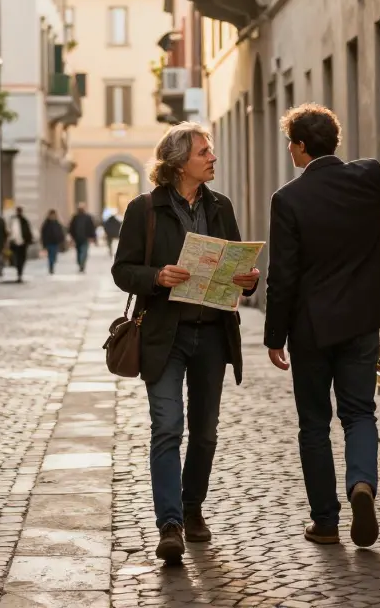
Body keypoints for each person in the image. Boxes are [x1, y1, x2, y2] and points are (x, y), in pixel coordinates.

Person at [263, 103, 380, 548]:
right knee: (359, 413)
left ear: (301, 146)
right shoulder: (366, 177)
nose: (290, 150)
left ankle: (326, 522)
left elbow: (283, 276)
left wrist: (275, 337)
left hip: (311, 329)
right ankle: (362, 486)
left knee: (313, 423)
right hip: (362, 321)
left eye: (290, 143)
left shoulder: (288, 198)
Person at [112, 122, 260, 565]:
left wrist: (247, 280)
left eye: (210, 151)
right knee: (167, 427)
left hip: (213, 333)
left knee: (206, 432)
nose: (212, 158)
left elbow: (239, 265)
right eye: (203, 152)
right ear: (178, 163)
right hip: (164, 336)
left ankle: (193, 507)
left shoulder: (221, 206)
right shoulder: (144, 209)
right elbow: (123, 270)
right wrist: (156, 276)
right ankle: (170, 524)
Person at [68, 203, 97, 273]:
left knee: (84, 252)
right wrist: (72, 237)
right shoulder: (75, 217)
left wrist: (93, 237)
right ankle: (80, 263)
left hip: (85, 238)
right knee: (78, 252)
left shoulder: (88, 217)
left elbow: (92, 227)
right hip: (77, 238)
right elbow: (71, 228)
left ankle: (82, 264)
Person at [8, 206, 34, 283]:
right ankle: (19, 272)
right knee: (17, 258)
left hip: (22, 243)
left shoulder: (24, 221)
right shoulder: (14, 220)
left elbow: (27, 231)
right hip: (15, 243)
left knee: (21, 259)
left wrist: (28, 240)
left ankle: (19, 273)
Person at [41, 209, 66, 275]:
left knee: (54, 256)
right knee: (50, 256)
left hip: (55, 242)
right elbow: (43, 234)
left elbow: (61, 233)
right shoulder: (46, 224)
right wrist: (44, 244)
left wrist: (61, 241)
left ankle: (51, 266)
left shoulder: (57, 223)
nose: (52, 216)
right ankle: (51, 267)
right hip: (49, 242)